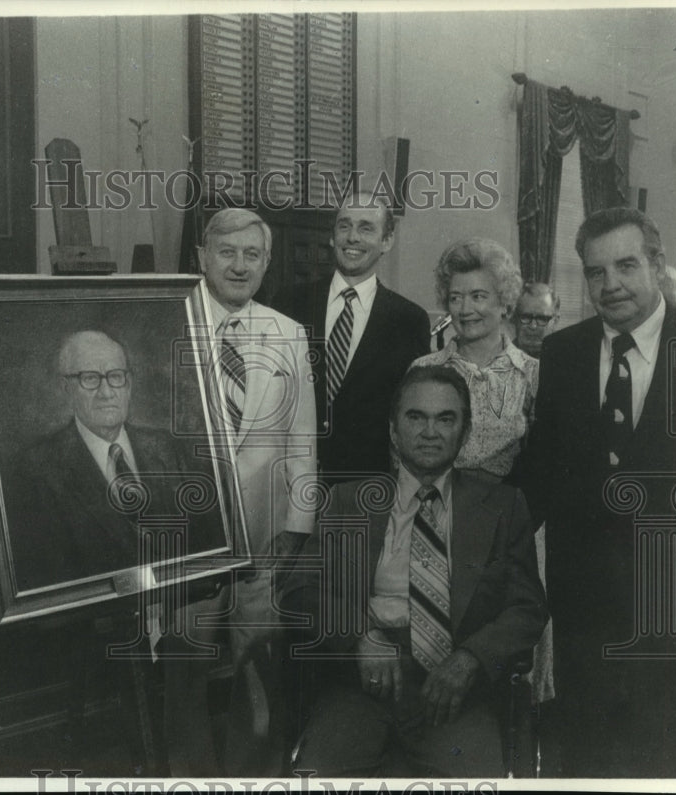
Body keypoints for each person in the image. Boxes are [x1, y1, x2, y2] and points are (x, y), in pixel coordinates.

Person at [522, 207, 676, 777]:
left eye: (625, 265)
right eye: (595, 272)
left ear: (657, 264)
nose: (610, 284)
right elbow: (541, 473)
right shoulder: (564, 353)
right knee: (593, 768)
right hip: (587, 621)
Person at [294, 366, 547, 776]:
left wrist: (469, 660)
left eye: (445, 419)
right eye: (416, 417)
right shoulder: (348, 501)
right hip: (363, 683)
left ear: (464, 433)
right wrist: (359, 635)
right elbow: (299, 588)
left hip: (454, 689)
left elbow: (527, 608)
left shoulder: (503, 506)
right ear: (394, 431)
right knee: (316, 777)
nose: (430, 431)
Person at [162, 208, 317, 776]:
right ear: (202, 257)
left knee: (261, 668)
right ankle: (190, 777)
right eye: (226, 252)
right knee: (185, 665)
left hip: (263, 540)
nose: (239, 265)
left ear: (267, 263)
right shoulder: (165, 323)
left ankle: (255, 776)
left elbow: (302, 437)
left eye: (252, 254)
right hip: (187, 539)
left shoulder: (288, 333)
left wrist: (297, 524)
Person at [7, 330, 213, 589]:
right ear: (66, 388)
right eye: (90, 378)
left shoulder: (170, 450)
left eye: (116, 377)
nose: (106, 392)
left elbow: (206, 546)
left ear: (129, 384)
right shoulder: (35, 471)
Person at [286, 193, 430, 481]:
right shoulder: (289, 303)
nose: (353, 237)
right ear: (331, 236)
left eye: (366, 228)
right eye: (344, 226)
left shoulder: (409, 319)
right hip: (289, 481)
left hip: (366, 490)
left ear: (387, 241)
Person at [411, 238, 536, 481]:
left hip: (506, 510)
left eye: (478, 296)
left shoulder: (532, 373)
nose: (465, 309)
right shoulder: (423, 369)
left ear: (504, 303)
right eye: (456, 298)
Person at [513, 281, 560, 358]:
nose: (533, 326)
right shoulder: (497, 360)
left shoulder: (567, 359)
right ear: (515, 319)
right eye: (526, 317)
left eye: (542, 319)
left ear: (555, 321)